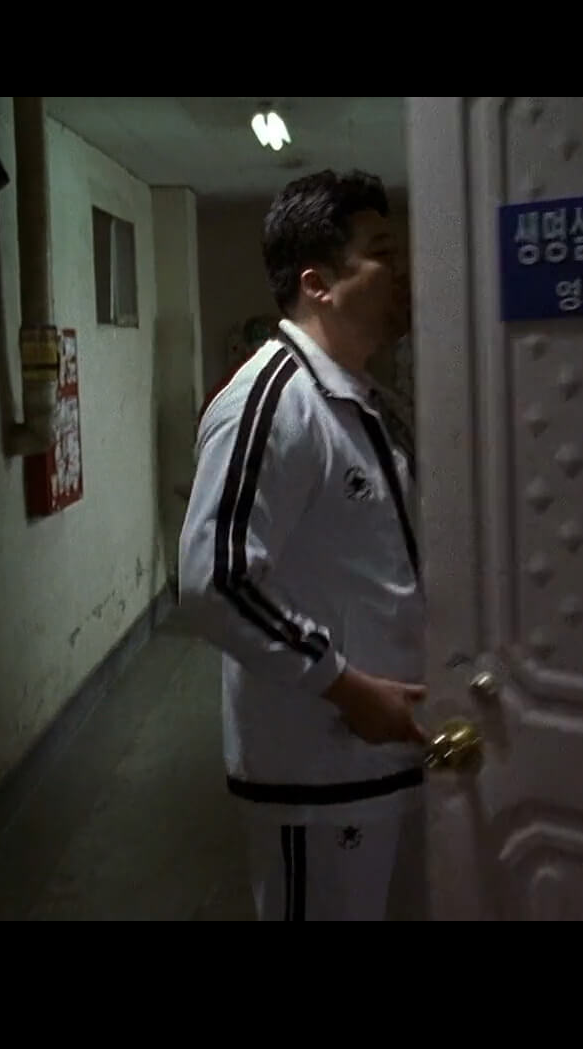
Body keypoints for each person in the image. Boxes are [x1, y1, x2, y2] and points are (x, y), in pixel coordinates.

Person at [173, 169, 428, 921]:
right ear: (318, 283)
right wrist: (346, 686)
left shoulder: (361, 399)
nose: (403, 273)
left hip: (381, 760)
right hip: (319, 774)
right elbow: (215, 581)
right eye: (382, 253)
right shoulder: (273, 401)